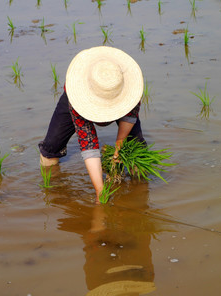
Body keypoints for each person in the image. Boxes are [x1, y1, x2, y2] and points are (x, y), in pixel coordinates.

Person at [39, 46, 146, 204]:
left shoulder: (128, 88)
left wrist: (119, 147)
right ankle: (54, 186)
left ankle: (140, 191)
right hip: (77, 102)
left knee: (137, 152)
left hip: (118, 96)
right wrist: (100, 191)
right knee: (50, 149)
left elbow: (129, 117)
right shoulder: (77, 98)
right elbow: (88, 142)